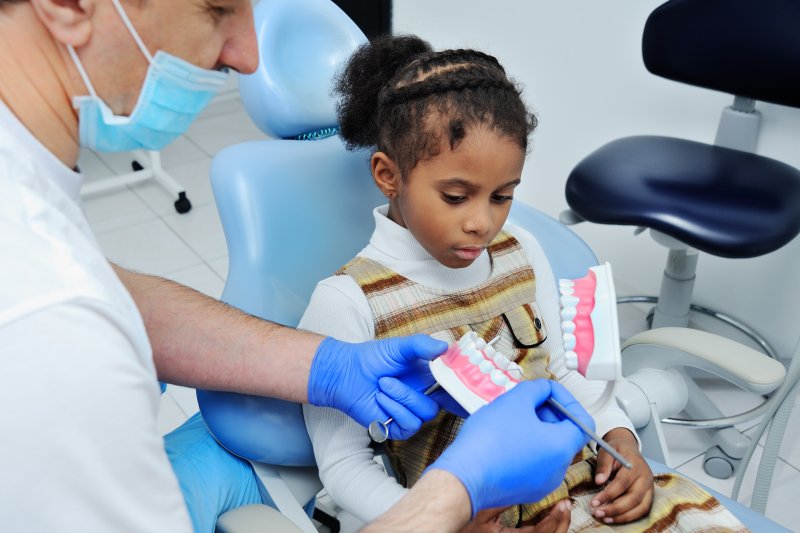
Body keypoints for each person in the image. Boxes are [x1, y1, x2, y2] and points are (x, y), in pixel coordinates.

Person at [0, 1, 594, 531]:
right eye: (216, 10)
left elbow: (115, 295)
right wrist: (450, 499)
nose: (250, 55)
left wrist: (328, 367)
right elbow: (78, 305)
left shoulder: (31, 207)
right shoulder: (51, 323)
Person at [300, 35, 748, 532]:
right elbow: (343, 468)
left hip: (593, 497)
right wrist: (445, 521)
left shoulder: (520, 250)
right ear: (388, 175)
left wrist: (621, 438)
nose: (482, 223)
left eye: (502, 196)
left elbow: (560, 373)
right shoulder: (348, 301)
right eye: (455, 196)